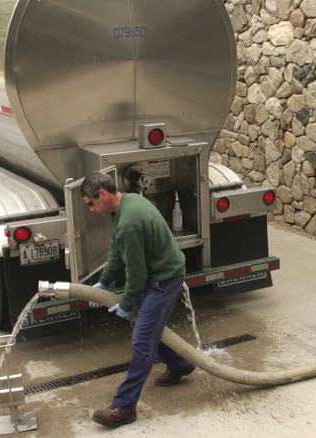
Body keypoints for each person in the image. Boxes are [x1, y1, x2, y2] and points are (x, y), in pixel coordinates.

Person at [80, 171, 196, 428]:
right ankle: (179, 364)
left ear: (102, 194)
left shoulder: (130, 221)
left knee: (143, 340)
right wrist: (104, 281)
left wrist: (126, 303)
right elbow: (117, 250)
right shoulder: (126, 204)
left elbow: (136, 274)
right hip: (159, 274)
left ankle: (124, 407)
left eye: (90, 203)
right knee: (145, 328)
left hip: (164, 279)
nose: (90, 209)